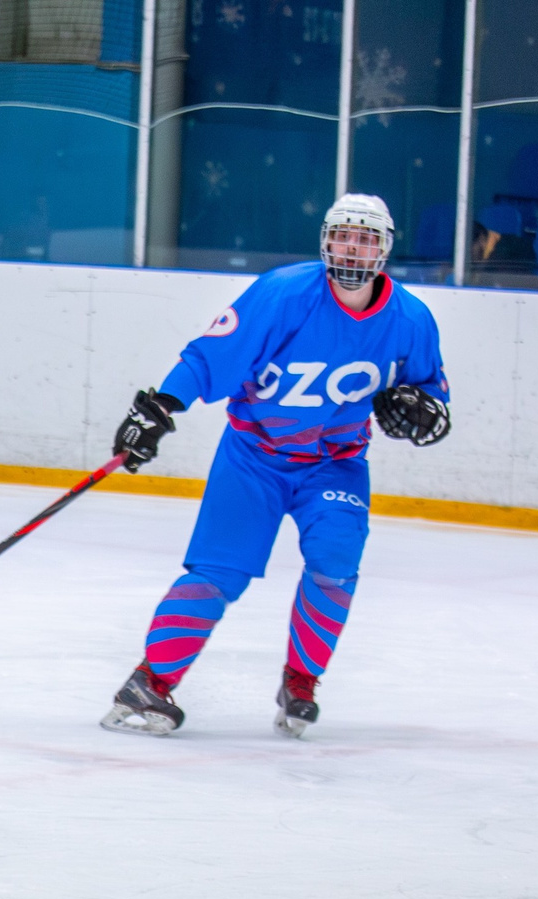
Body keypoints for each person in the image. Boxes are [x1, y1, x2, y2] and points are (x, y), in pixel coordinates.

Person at [101, 193, 451, 739]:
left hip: (336, 464)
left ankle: (301, 682)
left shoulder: (410, 319)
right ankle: (150, 682)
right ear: (325, 241)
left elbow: (430, 394)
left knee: (336, 561)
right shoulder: (284, 294)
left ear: (383, 248)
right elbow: (209, 356)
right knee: (219, 573)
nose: (351, 247)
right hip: (254, 456)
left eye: (364, 237)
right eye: (342, 235)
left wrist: (425, 415)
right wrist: (161, 406)